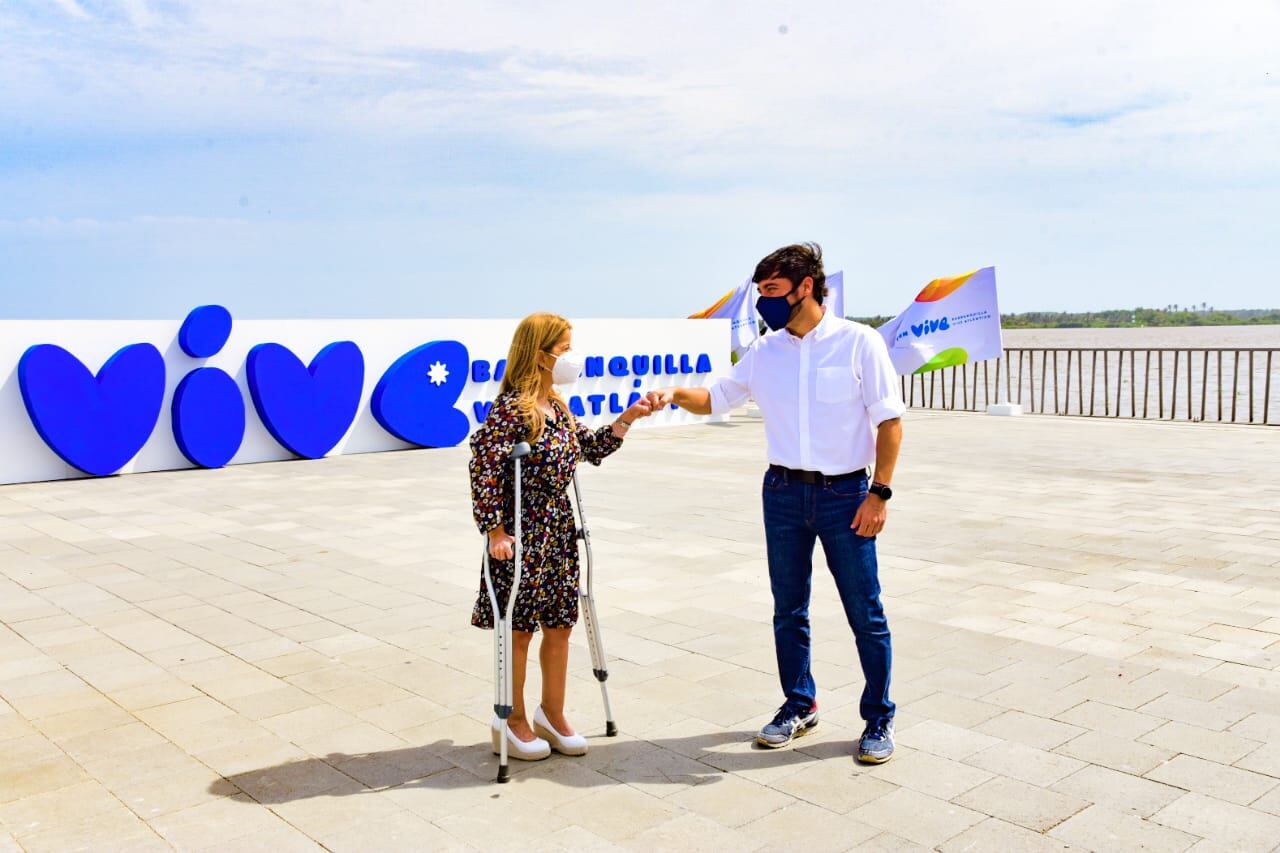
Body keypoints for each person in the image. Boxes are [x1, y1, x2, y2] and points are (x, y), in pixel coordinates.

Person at [647, 243, 905, 763]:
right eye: (760, 291)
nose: (764, 302)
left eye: (772, 291)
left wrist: (879, 493)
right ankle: (799, 704)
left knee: (865, 610)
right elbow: (717, 397)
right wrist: (674, 393)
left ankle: (879, 717)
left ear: (805, 286)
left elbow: (889, 422)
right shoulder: (765, 351)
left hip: (846, 494)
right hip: (783, 493)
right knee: (789, 609)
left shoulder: (860, 343)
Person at [470, 312, 652, 760]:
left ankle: (552, 713)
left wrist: (626, 419)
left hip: (559, 533)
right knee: (518, 630)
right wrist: (495, 529)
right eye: (565, 349)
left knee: (560, 625)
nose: (571, 357)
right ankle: (511, 719)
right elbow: (484, 466)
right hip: (520, 536)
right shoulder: (513, 409)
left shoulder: (559, 406)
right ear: (540, 354)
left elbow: (588, 450)